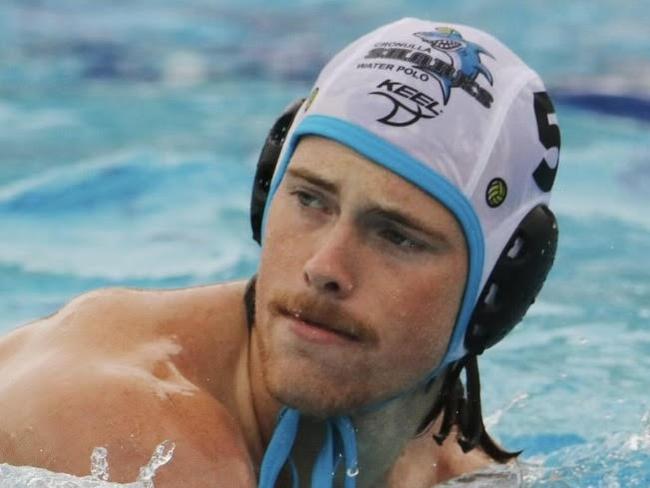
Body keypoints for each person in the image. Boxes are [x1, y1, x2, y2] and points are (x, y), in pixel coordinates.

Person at [0, 17, 560, 488]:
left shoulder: (458, 470)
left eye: (396, 235)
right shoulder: (137, 433)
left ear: (495, 294)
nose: (324, 267)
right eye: (311, 200)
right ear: (266, 197)